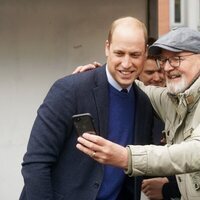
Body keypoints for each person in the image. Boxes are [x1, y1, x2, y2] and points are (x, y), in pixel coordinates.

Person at [20, 16, 155, 200]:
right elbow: (35, 164)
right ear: (107, 48)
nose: (126, 63)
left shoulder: (144, 104)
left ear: (145, 53)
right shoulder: (70, 89)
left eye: (135, 55)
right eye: (119, 53)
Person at [76, 27, 200, 200]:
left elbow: (193, 153)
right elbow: (139, 89)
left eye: (176, 59)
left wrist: (126, 157)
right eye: (163, 60)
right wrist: (102, 75)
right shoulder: (175, 99)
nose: (167, 68)